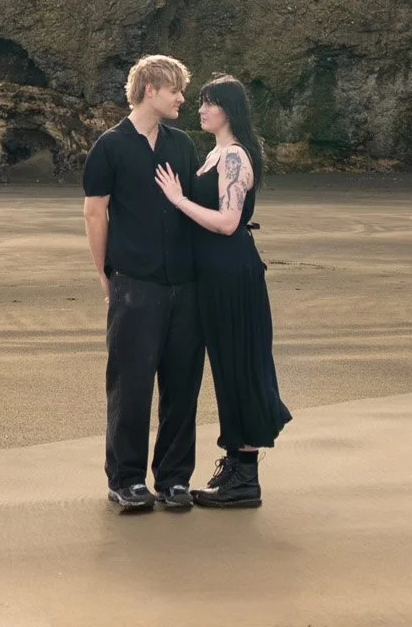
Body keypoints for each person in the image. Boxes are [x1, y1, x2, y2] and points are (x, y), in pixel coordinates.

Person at [155, 72, 291, 508]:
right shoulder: (214, 155)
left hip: (232, 274)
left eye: (208, 103)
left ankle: (244, 478)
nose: (200, 109)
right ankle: (234, 466)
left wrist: (178, 199)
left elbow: (229, 223)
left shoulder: (233, 158)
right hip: (214, 275)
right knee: (228, 366)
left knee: (239, 365)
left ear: (227, 110)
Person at [82, 53, 204, 513]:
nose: (181, 98)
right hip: (134, 283)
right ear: (150, 89)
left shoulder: (182, 146)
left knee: (182, 385)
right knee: (130, 385)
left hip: (185, 286)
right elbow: (95, 213)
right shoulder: (110, 147)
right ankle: (126, 479)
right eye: (175, 90)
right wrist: (103, 273)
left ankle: (174, 479)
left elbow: (192, 208)